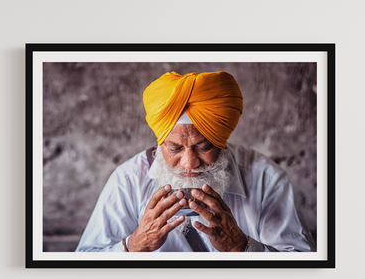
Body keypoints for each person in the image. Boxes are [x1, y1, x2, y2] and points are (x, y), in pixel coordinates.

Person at [75, 70, 316, 253]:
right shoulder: (128, 180)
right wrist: (133, 245)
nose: (189, 163)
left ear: (221, 140)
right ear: (160, 142)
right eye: (175, 148)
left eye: (204, 146)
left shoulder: (267, 179)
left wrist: (241, 247)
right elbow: (83, 269)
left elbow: (300, 269)